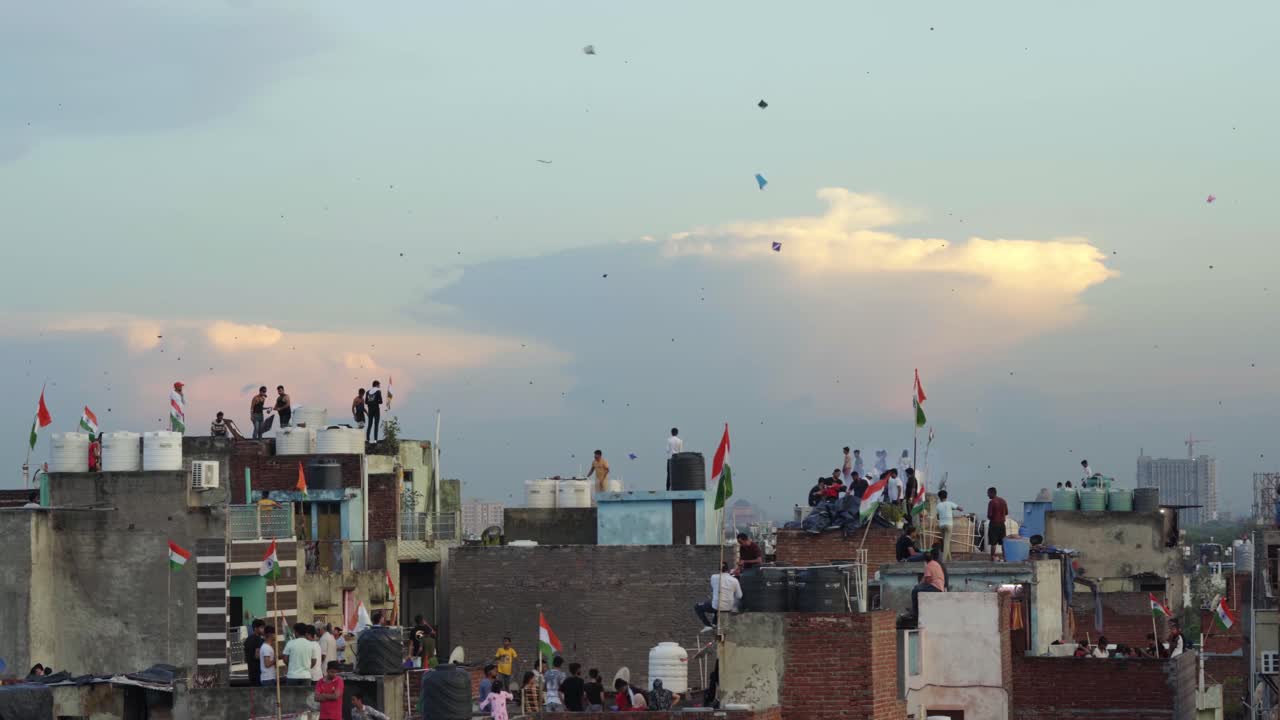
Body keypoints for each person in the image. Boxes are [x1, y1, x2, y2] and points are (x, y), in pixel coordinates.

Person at [695, 563, 742, 629]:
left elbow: (713, 588)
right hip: (729, 606)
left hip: (716, 605)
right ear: (728, 569)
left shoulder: (713, 577)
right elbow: (739, 596)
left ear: (719, 569)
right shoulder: (734, 580)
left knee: (697, 606)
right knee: (720, 604)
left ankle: (708, 625)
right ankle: (714, 623)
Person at [910, 549, 947, 618]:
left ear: (924, 559)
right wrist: (919, 585)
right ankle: (915, 610)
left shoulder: (928, 566)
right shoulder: (936, 564)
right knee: (917, 588)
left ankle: (915, 612)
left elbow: (928, 579)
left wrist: (919, 586)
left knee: (915, 591)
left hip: (935, 587)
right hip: (940, 586)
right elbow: (925, 578)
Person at [935, 490, 963, 561]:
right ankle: (943, 560)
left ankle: (949, 559)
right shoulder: (950, 503)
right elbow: (960, 509)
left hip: (941, 525)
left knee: (946, 541)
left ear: (939, 497)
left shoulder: (938, 505)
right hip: (949, 525)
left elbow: (937, 516)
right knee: (946, 542)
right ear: (946, 496)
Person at [986, 487, 1009, 561]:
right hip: (1002, 524)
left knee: (993, 543)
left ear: (992, 493)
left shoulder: (992, 502)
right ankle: (1005, 557)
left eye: (988, 493)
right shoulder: (1003, 501)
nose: (987, 495)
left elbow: (989, 515)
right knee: (1003, 542)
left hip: (994, 524)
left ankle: (992, 557)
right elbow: (1006, 513)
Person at [244, 619, 266, 686]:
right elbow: (257, 656)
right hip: (258, 673)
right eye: (261, 627)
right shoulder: (258, 640)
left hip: (251, 672)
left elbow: (245, 658)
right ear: (256, 628)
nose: (263, 630)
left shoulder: (247, 640)